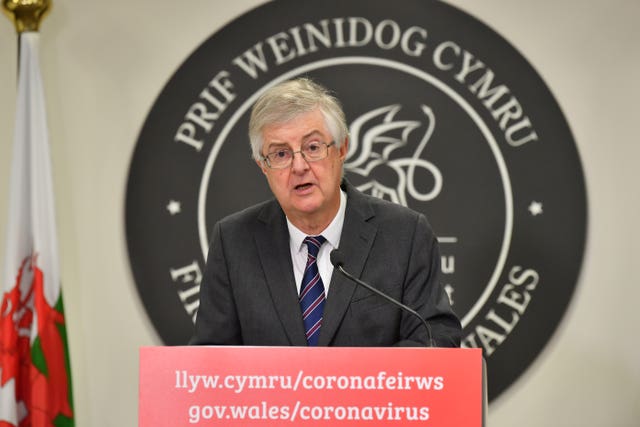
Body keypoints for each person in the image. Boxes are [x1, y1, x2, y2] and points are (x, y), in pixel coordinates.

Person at [191, 77, 461, 347]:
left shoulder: (405, 234)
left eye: (312, 147)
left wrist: (349, 382)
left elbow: (435, 340)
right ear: (263, 165)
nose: (299, 167)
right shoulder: (234, 241)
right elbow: (209, 361)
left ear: (341, 149)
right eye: (281, 154)